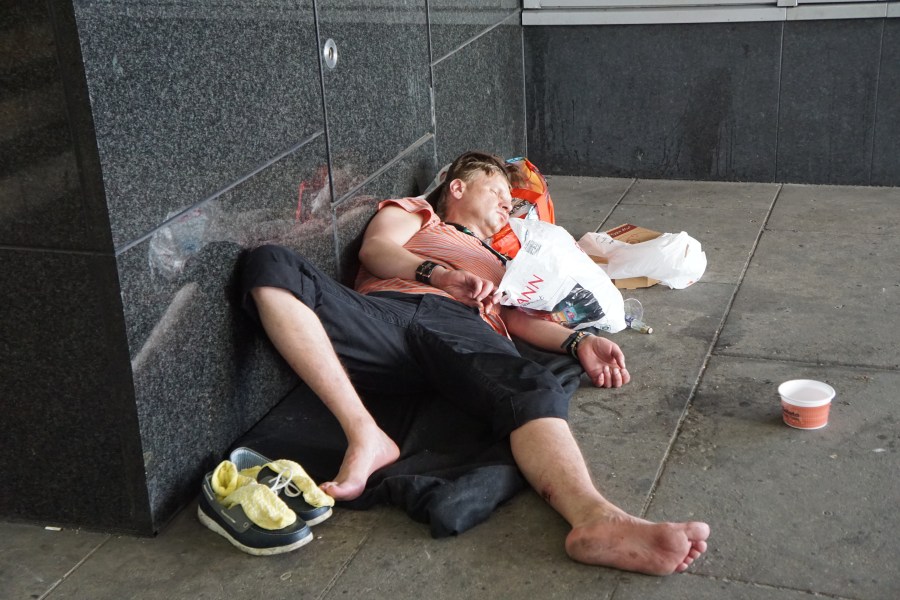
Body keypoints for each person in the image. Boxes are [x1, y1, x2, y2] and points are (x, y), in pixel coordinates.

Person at [240, 151, 709, 575]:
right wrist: (439, 274)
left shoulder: (500, 259)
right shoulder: (418, 214)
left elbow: (515, 320)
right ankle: (365, 434)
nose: (508, 203)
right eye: (497, 191)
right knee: (270, 263)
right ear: (458, 188)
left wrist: (579, 342)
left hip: (462, 331)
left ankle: (596, 519)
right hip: (387, 313)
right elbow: (375, 250)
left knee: (532, 385)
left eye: (511, 199)